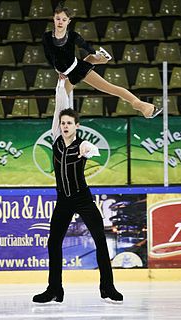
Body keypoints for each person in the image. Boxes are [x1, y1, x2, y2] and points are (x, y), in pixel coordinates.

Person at [32, 79, 123, 304]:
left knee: (101, 241)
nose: (64, 126)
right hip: (63, 200)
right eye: (62, 123)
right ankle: (55, 289)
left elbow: (92, 150)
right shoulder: (55, 141)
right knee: (53, 243)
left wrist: (88, 150)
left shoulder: (82, 145)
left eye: (69, 123)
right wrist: (60, 85)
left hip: (83, 199)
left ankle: (108, 288)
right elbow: (59, 104)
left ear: (76, 126)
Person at [42, 3, 163, 118]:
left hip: (77, 69)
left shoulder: (72, 36)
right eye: (58, 19)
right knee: (59, 106)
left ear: (68, 21)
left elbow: (85, 45)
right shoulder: (47, 37)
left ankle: (141, 105)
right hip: (65, 74)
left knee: (110, 88)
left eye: (63, 19)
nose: (60, 22)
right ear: (53, 19)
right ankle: (94, 60)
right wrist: (58, 71)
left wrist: (95, 53)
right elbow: (48, 55)